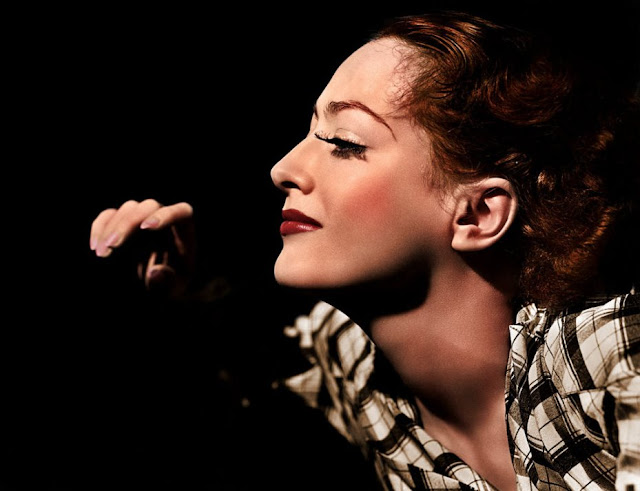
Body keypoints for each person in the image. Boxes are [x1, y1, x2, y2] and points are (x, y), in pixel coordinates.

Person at [89, 10, 639, 491]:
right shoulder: (352, 369)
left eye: (344, 142)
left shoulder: (609, 355)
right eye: (309, 133)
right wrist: (168, 298)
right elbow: (238, 356)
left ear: (477, 214)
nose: (283, 168)